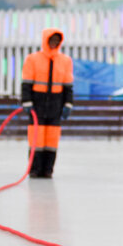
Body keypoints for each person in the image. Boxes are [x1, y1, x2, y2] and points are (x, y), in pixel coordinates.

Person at [21, 28, 73, 179]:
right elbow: (26, 84)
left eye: (57, 40)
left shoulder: (65, 61)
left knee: (51, 140)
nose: (54, 43)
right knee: (36, 139)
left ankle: (48, 170)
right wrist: (27, 102)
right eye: (51, 40)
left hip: (55, 106)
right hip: (37, 105)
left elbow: (68, 86)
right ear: (46, 40)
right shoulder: (33, 59)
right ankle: (35, 170)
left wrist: (68, 105)